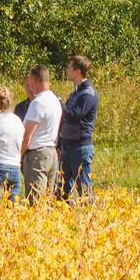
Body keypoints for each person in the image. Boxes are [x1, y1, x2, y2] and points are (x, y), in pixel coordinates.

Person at [57, 54, 98, 198]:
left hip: (80, 148)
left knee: (84, 191)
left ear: (78, 71)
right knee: (61, 190)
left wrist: (60, 102)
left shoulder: (88, 94)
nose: (66, 70)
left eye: (69, 68)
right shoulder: (76, 92)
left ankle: (90, 218)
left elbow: (72, 116)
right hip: (67, 147)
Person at [18, 65, 62, 200]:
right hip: (51, 152)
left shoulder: (38, 102)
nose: (30, 87)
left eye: (30, 83)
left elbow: (27, 136)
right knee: (46, 200)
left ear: (34, 81)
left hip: (37, 155)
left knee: (35, 200)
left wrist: (18, 157)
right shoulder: (55, 100)